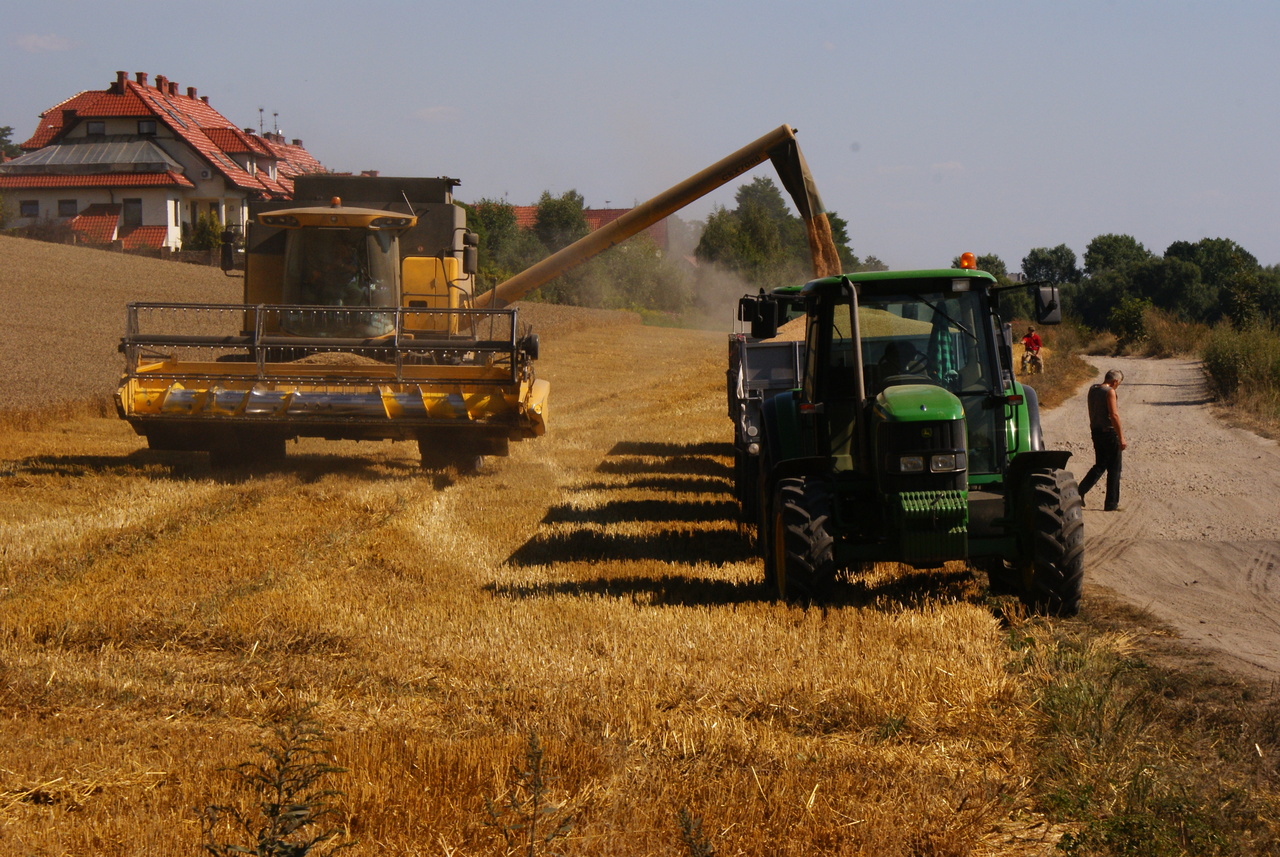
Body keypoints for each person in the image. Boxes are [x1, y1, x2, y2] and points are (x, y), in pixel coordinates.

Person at [1078, 369, 1126, 511]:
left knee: (1100, 465)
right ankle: (1111, 504)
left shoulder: (1093, 389)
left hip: (1096, 432)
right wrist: (1121, 437)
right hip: (1109, 433)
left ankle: (1080, 490)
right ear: (1115, 381)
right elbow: (1114, 415)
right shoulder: (1110, 392)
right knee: (1114, 468)